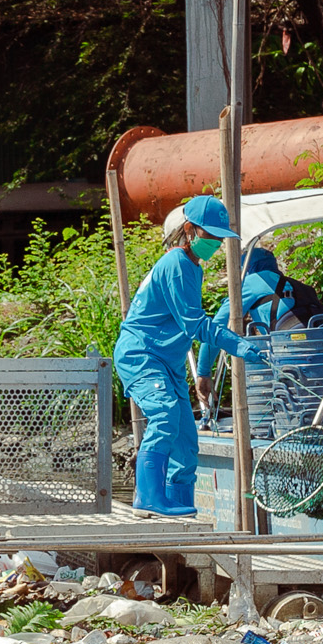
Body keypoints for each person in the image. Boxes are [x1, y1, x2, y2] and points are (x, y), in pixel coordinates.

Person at [114, 196, 249, 517]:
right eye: (210, 236)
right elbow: (195, 323)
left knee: (187, 439)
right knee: (164, 416)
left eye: (219, 238)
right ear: (189, 230)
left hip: (168, 361)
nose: (215, 244)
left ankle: (177, 503)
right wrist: (237, 344)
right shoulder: (175, 264)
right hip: (142, 355)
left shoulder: (191, 266)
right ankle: (148, 499)